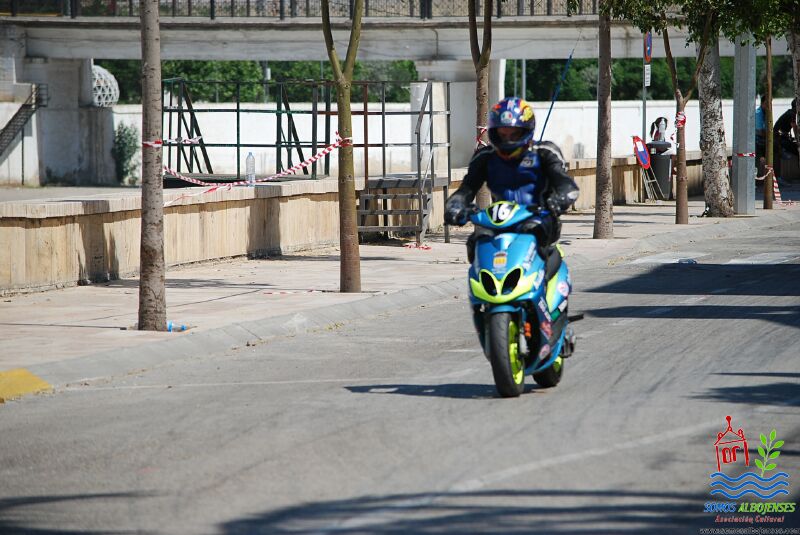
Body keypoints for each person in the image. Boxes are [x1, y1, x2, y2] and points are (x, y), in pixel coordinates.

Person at [444, 96, 579, 264]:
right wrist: (455, 206)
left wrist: (559, 200)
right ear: (494, 132)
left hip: (539, 219)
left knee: (532, 231)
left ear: (526, 130)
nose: (508, 139)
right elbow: (467, 188)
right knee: (476, 241)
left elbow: (566, 185)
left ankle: (545, 276)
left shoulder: (544, 152)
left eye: (514, 134)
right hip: (499, 222)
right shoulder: (485, 157)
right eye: (503, 134)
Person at [773, 98, 798, 181]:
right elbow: (794, 128)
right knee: (797, 149)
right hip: (779, 139)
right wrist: (798, 140)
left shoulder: (790, 112)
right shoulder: (792, 114)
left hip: (780, 137)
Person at [755, 95, 767, 177]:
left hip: (762, 139)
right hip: (758, 141)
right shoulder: (758, 113)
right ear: (762, 103)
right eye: (766, 103)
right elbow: (760, 132)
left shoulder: (765, 113)